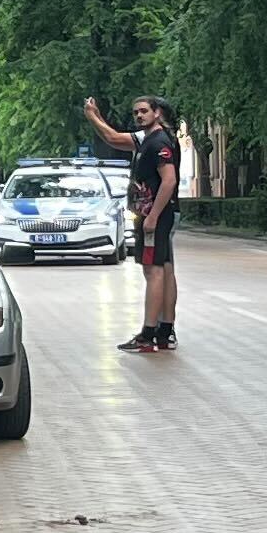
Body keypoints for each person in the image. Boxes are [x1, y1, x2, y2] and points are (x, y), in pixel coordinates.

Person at [80, 94, 182, 353]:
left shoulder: (157, 142)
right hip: (159, 214)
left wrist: (153, 216)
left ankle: (148, 334)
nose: (138, 116)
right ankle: (164, 331)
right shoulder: (152, 139)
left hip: (155, 216)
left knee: (153, 271)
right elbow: (113, 137)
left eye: (144, 111)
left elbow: (169, 180)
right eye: (136, 112)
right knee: (165, 269)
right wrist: (97, 116)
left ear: (157, 113)